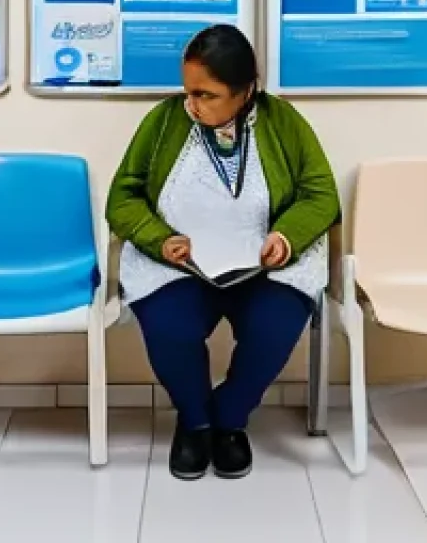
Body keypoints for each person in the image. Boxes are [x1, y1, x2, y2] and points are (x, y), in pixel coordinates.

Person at [107, 25, 339, 481]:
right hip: (181, 264)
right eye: (188, 92)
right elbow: (123, 198)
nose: (191, 104)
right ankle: (195, 422)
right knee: (170, 326)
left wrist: (286, 237)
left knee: (274, 326)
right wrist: (160, 238)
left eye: (206, 95)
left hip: (263, 265)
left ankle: (228, 420)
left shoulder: (283, 122)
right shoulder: (164, 121)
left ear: (246, 91)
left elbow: (320, 195)